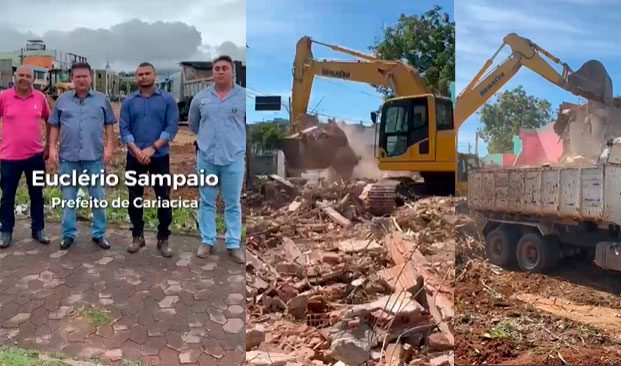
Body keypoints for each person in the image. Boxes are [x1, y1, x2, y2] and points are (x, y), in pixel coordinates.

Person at [47, 62, 116, 250]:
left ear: (91, 78)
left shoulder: (102, 100)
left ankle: (99, 234)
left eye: (85, 76)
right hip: (68, 159)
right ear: (72, 79)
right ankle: (69, 234)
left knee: (98, 197)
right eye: (77, 77)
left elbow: (109, 125)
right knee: (69, 199)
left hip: (94, 158)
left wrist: (109, 147)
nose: (81, 79)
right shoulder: (62, 100)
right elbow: (55, 125)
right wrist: (52, 147)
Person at [189, 55, 245, 263]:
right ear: (213, 73)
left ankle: (233, 244)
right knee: (207, 201)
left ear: (232, 72)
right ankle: (207, 241)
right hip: (206, 159)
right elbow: (194, 124)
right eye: (217, 68)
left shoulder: (243, 97)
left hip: (233, 159)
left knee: (232, 203)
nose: (220, 71)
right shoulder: (201, 98)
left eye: (224, 68)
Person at [119, 62, 179, 257]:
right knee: (134, 198)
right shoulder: (129, 101)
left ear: (155, 76)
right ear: (136, 78)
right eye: (140, 74)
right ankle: (138, 236)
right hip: (134, 157)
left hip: (159, 157)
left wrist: (153, 148)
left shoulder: (167, 100)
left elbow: (171, 127)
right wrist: (137, 151)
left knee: (163, 197)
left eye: (147, 73)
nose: (143, 77)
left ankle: (163, 238)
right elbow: (124, 129)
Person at [0, 64, 51, 248]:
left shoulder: (40, 97)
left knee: (37, 194)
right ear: (15, 76)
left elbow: (49, 120)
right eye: (20, 75)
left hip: (35, 157)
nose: (24, 79)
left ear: (33, 79)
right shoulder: (4, 97)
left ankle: (38, 229)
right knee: (7, 196)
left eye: (28, 76)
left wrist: (48, 146)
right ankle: (6, 231)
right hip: (9, 158)